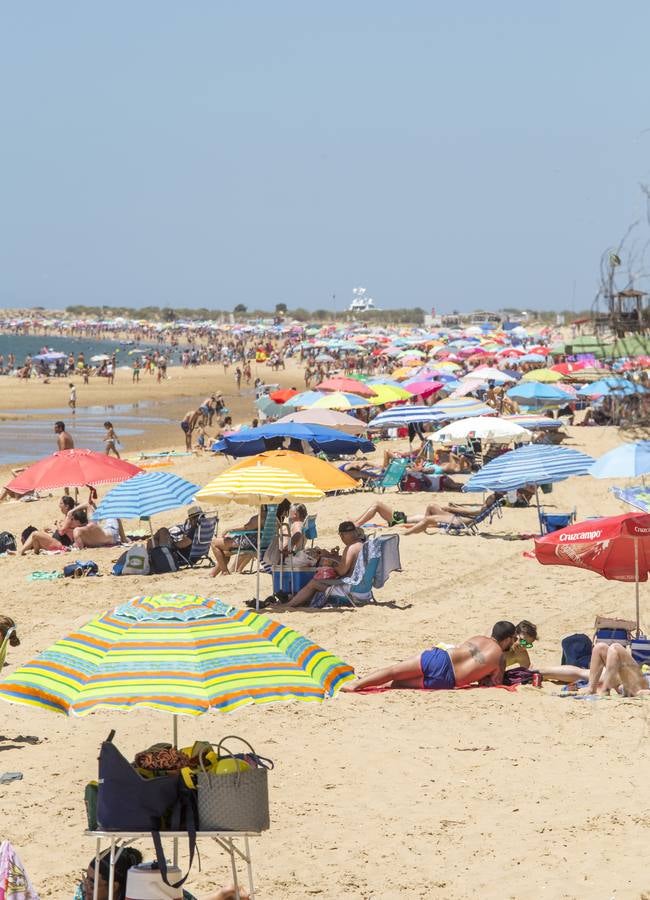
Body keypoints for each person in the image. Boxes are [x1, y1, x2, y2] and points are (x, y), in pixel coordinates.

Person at [342, 621, 517, 692]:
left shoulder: (477, 638)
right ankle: (365, 685)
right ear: (507, 638)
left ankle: (356, 684)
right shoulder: (500, 657)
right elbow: (494, 683)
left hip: (441, 658)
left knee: (394, 671)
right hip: (448, 680)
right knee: (396, 684)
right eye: (514, 639)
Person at [76, 848, 250, 900]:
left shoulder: (141, 893)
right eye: (86, 878)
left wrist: (223, 894)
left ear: (115, 885)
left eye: (92, 882)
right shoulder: (83, 893)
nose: (86, 886)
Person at [276, 521, 364, 609]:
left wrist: (332, 564)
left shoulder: (350, 548)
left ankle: (289, 604)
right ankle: (300, 601)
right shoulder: (362, 546)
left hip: (351, 591)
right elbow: (351, 564)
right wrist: (333, 557)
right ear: (355, 532)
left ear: (342, 535)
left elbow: (341, 571)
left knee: (314, 582)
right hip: (364, 590)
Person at [579, 642, 650, 697]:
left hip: (642, 685)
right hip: (629, 680)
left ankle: (605, 690)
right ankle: (591, 690)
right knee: (600, 647)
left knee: (615, 648)